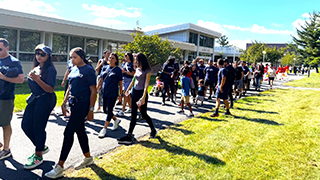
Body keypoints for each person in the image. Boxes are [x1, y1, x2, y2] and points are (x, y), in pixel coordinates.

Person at [45, 47, 97, 179]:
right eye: (71, 57)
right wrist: (63, 103)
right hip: (73, 104)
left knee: (68, 132)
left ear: (81, 57)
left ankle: (60, 167)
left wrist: (91, 109)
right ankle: (88, 158)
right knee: (80, 131)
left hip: (83, 105)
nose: (72, 59)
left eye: (74, 57)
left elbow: (93, 91)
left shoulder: (88, 70)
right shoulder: (73, 69)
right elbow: (69, 86)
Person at [21, 44, 57, 169]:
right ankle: (41, 145)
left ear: (48, 56)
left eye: (42, 54)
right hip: (35, 99)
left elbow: (50, 89)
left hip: (45, 100)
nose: (39, 56)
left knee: (38, 127)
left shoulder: (50, 69)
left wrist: (37, 79)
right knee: (25, 125)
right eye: (37, 53)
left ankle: (38, 155)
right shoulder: (37, 67)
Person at [117, 53, 157, 145]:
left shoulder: (147, 70)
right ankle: (129, 135)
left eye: (136, 59)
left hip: (141, 94)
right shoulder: (137, 69)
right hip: (134, 92)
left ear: (140, 60)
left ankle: (153, 130)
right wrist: (127, 90)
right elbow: (133, 80)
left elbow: (146, 85)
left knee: (144, 114)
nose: (135, 61)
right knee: (133, 114)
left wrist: (143, 97)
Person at [0, 38, 24, 160]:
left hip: (5, 98)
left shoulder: (14, 62)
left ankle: (6, 149)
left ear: (7, 48)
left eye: (0, 49)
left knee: (5, 124)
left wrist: (3, 77)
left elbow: (21, 79)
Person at [97, 53, 123, 138]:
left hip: (113, 92)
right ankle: (116, 120)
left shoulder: (118, 70)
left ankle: (104, 129)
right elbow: (101, 79)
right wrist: (97, 89)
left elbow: (120, 83)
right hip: (105, 91)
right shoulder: (105, 67)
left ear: (116, 60)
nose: (111, 59)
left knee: (109, 110)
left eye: (113, 58)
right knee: (105, 110)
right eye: (110, 58)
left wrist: (120, 94)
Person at [117, 53, 135, 117]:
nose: (125, 57)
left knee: (125, 95)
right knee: (128, 96)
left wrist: (126, 72)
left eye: (126, 56)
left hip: (130, 80)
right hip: (124, 79)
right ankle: (130, 107)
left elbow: (133, 74)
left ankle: (122, 110)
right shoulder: (124, 64)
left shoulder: (132, 64)